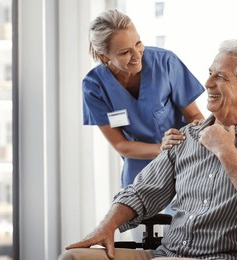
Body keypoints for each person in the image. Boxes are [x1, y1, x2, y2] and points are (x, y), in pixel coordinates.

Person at [61, 38, 237, 260]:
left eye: (221, 77)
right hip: (166, 254)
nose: (207, 84)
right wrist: (106, 227)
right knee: (72, 259)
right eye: (209, 73)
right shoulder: (186, 135)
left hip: (222, 258)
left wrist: (226, 151)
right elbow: (142, 193)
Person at [83, 9, 205, 189]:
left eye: (138, 43)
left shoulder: (165, 63)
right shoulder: (94, 86)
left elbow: (194, 115)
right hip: (139, 169)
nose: (137, 55)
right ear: (104, 56)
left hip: (184, 160)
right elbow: (121, 144)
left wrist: (200, 136)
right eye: (125, 52)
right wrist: (161, 149)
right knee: (138, 215)